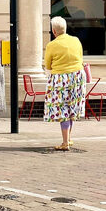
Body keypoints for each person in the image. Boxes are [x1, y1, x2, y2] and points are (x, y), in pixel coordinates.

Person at [44, 16, 85, 150]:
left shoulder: (51, 45)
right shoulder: (76, 40)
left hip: (60, 78)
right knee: (72, 107)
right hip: (77, 76)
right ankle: (68, 138)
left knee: (63, 109)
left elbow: (48, 65)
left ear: (54, 31)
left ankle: (65, 143)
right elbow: (80, 57)